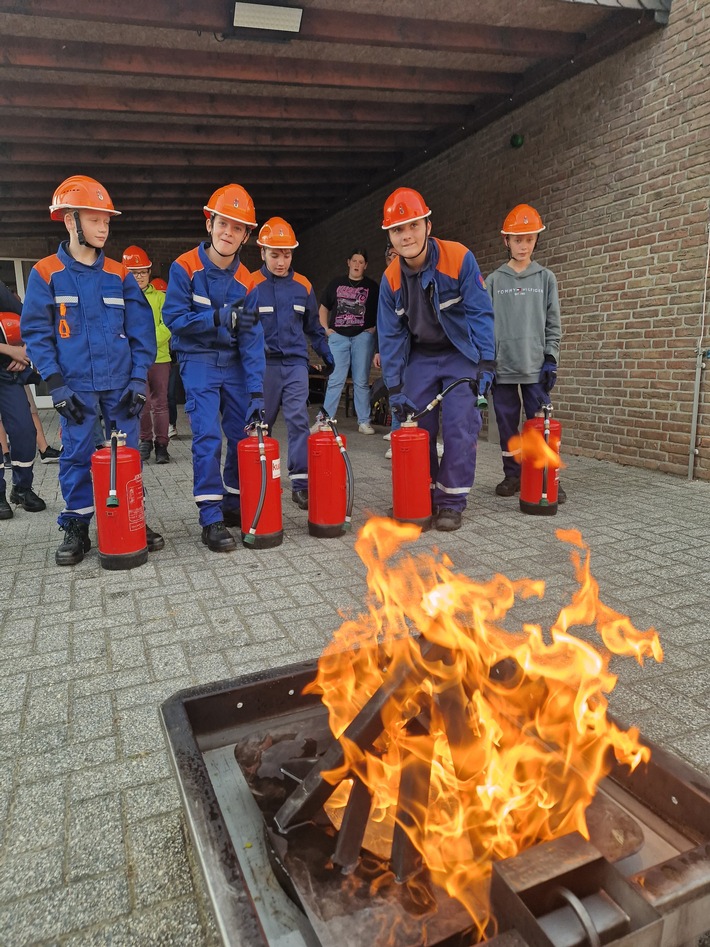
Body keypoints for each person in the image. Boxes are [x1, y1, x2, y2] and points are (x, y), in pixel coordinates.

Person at [20, 174, 164, 565]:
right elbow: (36, 332)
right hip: (76, 388)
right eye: (95, 219)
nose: (104, 227)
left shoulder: (118, 275)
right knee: (78, 455)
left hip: (120, 387)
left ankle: (132, 519)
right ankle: (78, 524)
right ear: (70, 220)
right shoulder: (46, 273)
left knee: (127, 454)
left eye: (107, 220)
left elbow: (141, 332)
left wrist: (137, 380)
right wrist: (56, 386)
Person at [377, 187, 495, 532]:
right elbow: (391, 337)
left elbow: (480, 313)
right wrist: (395, 387)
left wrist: (486, 362)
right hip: (422, 357)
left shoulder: (458, 257)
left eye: (413, 225)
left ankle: (451, 501)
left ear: (428, 224)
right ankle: (420, 494)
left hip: (459, 354)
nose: (407, 235)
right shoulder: (390, 280)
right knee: (412, 427)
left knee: (461, 425)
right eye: (398, 230)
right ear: (390, 236)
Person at [162, 184, 264, 553]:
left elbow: (252, 342)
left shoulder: (249, 281)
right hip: (199, 360)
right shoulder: (184, 267)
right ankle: (210, 516)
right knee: (208, 437)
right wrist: (217, 318)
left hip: (235, 364)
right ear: (210, 223)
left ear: (246, 235)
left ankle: (233, 504)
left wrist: (256, 391)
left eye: (237, 228)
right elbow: (173, 318)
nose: (228, 232)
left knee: (241, 436)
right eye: (223, 223)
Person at [251, 217, 334, 510]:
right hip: (264, 366)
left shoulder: (303, 285)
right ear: (262, 252)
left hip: (297, 364)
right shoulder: (250, 285)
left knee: (298, 419)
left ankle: (300, 484)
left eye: (287, 254)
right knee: (261, 423)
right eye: (275, 254)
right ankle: (262, 481)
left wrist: (325, 351)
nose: (281, 261)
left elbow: (313, 326)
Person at [486, 204, 565, 502]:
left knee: (538, 425)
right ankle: (512, 475)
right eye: (517, 239)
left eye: (529, 239)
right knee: (508, 426)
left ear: (536, 240)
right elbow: (484, 324)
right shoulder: (493, 281)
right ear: (506, 240)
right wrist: (487, 362)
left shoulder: (546, 278)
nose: (523, 245)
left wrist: (551, 358)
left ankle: (544, 475)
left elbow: (553, 322)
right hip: (503, 366)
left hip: (535, 367)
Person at [317, 248, 379, 433]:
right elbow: (323, 308)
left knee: (361, 380)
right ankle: (325, 420)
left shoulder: (372, 287)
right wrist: (326, 330)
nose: (357, 265)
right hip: (338, 337)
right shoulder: (336, 284)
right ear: (348, 262)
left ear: (365, 265)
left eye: (361, 262)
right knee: (336, 378)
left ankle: (363, 422)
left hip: (362, 337)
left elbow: (381, 310)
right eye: (355, 261)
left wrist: (374, 328)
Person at [122, 245, 172, 464]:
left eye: (142, 271)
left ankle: (162, 445)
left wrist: (147, 344)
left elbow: (168, 324)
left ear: (149, 272)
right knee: (141, 402)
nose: (139, 276)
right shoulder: (122, 297)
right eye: (134, 272)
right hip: (134, 361)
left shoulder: (161, 297)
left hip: (160, 358)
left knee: (161, 403)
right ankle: (145, 441)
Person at [0, 293, 46, 518]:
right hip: (6, 358)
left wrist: (24, 349)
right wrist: (9, 349)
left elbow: (31, 317)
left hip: (7, 374)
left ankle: (22, 488)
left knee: (24, 430)